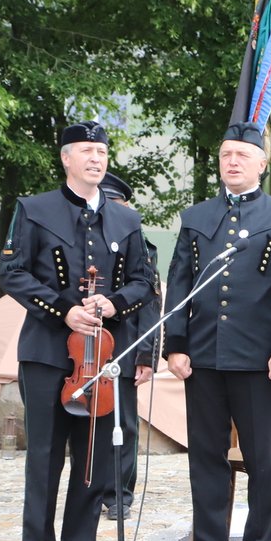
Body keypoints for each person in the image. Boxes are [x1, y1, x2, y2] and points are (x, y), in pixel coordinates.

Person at [0, 121, 155, 541]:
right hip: (48, 353)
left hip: (102, 358)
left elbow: (144, 282)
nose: (96, 158)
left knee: (92, 458)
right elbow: (12, 272)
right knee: (44, 457)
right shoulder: (34, 209)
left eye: (102, 151)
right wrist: (63, 310)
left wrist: (115, 303)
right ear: (66, 158)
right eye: (86, 150)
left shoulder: (126, 220)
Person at [163, 121, 271, 541]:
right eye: (226, 155)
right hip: (202, 357)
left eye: (242, 155)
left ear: (262, 164)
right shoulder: (196, 216)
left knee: (262, 460)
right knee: (205, 457)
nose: (232, 162)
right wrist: (175, 346)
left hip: (257, 360)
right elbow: (180, 283)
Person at [97, 171, 160, 522]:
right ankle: (90, 488)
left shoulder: (140, 246)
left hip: (123, 344)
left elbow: (149, 305)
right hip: (83, 347)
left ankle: (119, 494)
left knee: (123, 423)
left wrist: (145, 354)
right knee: (86, 423)